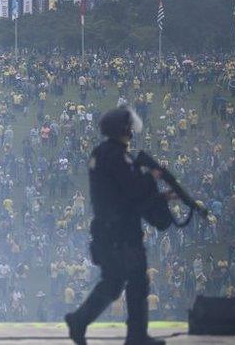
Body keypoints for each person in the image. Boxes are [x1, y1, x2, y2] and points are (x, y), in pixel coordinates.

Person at [65, 107, 169, 345]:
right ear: (123, 130)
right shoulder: (117, 156)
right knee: (137, 281)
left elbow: (119, 193)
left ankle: (80, 320)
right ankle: (136, 335)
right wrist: (151, 178)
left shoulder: (101, 153)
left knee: (113, 282)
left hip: (107, 231)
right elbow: (133, 191)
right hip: (122, 232)